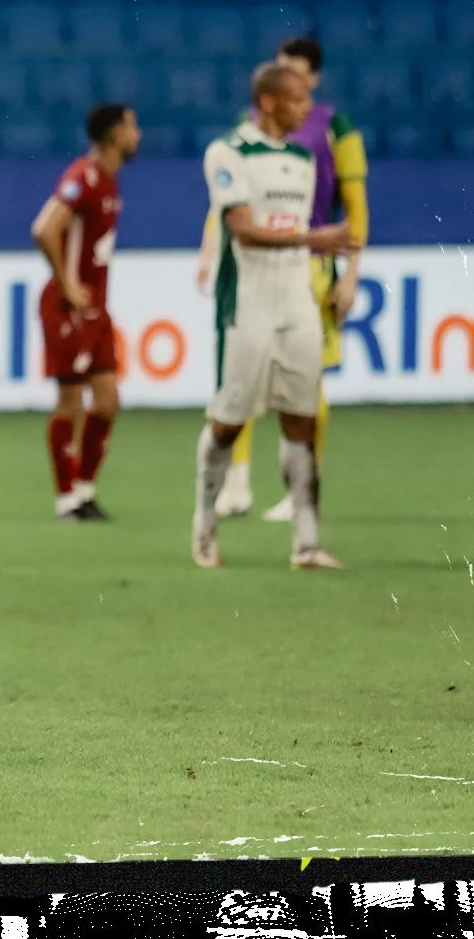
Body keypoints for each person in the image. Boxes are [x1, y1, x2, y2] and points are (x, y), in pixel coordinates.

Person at [192, 62, 360, 569]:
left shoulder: (303, 158)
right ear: (268, 101)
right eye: (297, 100)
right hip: (247, 305)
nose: (307, 109)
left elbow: (293, 231)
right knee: (228, 422)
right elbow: (243, 229)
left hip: (297, 303)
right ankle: (204, 525)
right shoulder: (228, 152)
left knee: (302, 420)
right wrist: (314, 238)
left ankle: (306, 542)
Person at [31, 104, 140, 521]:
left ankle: (85, 490)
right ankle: (66, 500)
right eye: (132, 126)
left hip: (96, 311)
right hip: (68, 308)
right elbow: (45, 228)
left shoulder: (109, 180)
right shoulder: (84, 177)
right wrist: (66, 284)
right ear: (115, 134)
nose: (138, 134)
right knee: (70, 400)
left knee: (108, 400)